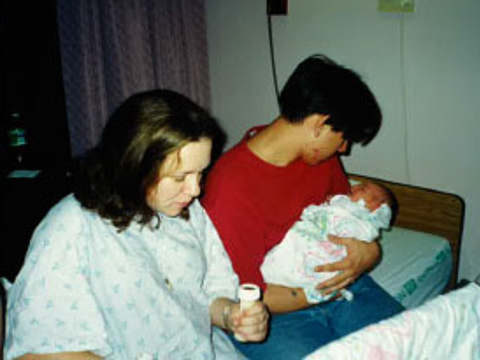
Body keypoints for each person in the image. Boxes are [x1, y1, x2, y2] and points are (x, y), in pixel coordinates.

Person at [3, 90, 269, 360]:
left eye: (200, 173)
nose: (195, 190)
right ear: (134, 165)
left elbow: (209, 293)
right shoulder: (71, 229)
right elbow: (36, 353)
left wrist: (231, 315)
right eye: (180, 177)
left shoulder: (187, 210)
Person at [201, 54, 404, 359]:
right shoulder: (229, 190)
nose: (344, 148)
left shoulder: (321, 158)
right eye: (344, 137)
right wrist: (317, 292)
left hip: (347, 289)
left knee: (418, 346)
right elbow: (245, 293)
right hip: (275, 314)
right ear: (320, 124)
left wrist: (370, 253)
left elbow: (348, 217)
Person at [261, 181, 395, 304]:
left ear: (376, 207)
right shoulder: (342, 202)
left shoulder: (361, 222)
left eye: (363, 188)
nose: (354, 187)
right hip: (284, 296)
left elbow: (362, 234)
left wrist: (371, 250)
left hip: (343, 277)